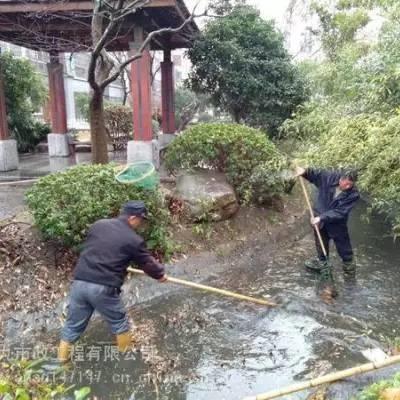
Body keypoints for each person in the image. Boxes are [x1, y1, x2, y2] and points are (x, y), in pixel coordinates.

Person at [58, 201, 167, 363]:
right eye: (141, 220)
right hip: (102, 287)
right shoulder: (133, 240)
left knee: (72, 326)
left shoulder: (98, 225)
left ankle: (62, 363)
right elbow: (147, 263)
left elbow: (101, 248)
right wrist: (160, 275)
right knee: (119, 323)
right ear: (133, 218)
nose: (141, 224)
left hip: (79, 283)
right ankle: (126, 360)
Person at [295, 166, 360, 279]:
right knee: (321, 248)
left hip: (337, 224)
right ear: (341, 178)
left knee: (345, 251)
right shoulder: (329, 177)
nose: (348, 186)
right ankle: (325, 272)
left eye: (351, 184)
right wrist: (305, 172)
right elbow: (316, 174)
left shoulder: (353, 194)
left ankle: (350, 276)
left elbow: (340, 212)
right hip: (319, 222)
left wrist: (322, 217)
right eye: (346, 183)